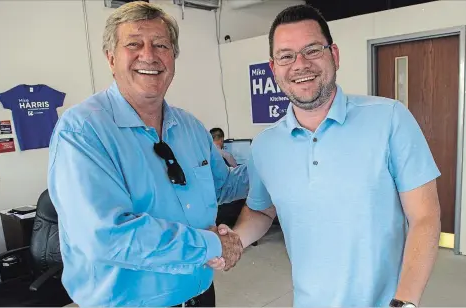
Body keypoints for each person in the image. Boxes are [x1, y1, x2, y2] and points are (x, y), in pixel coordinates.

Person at [214, 4, 441, 308]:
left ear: (334, 55)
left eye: (312, 50)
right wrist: (234, 241)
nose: (300, 64)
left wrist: (406, 302)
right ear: (273, 69)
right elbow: (261, 211)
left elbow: (424, 216)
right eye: (286, 55)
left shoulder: (390, 119)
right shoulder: (265, 146)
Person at [47, 2, 246, 307]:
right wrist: (211, 245)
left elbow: (225, 186)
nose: (149, 55)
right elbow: (107, 236)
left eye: (161, 45)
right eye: (134, 44)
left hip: (201, 295)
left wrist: (276, 152)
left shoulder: (191, 127)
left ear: (173, 57)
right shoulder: (82, 130)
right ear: (111, 58)